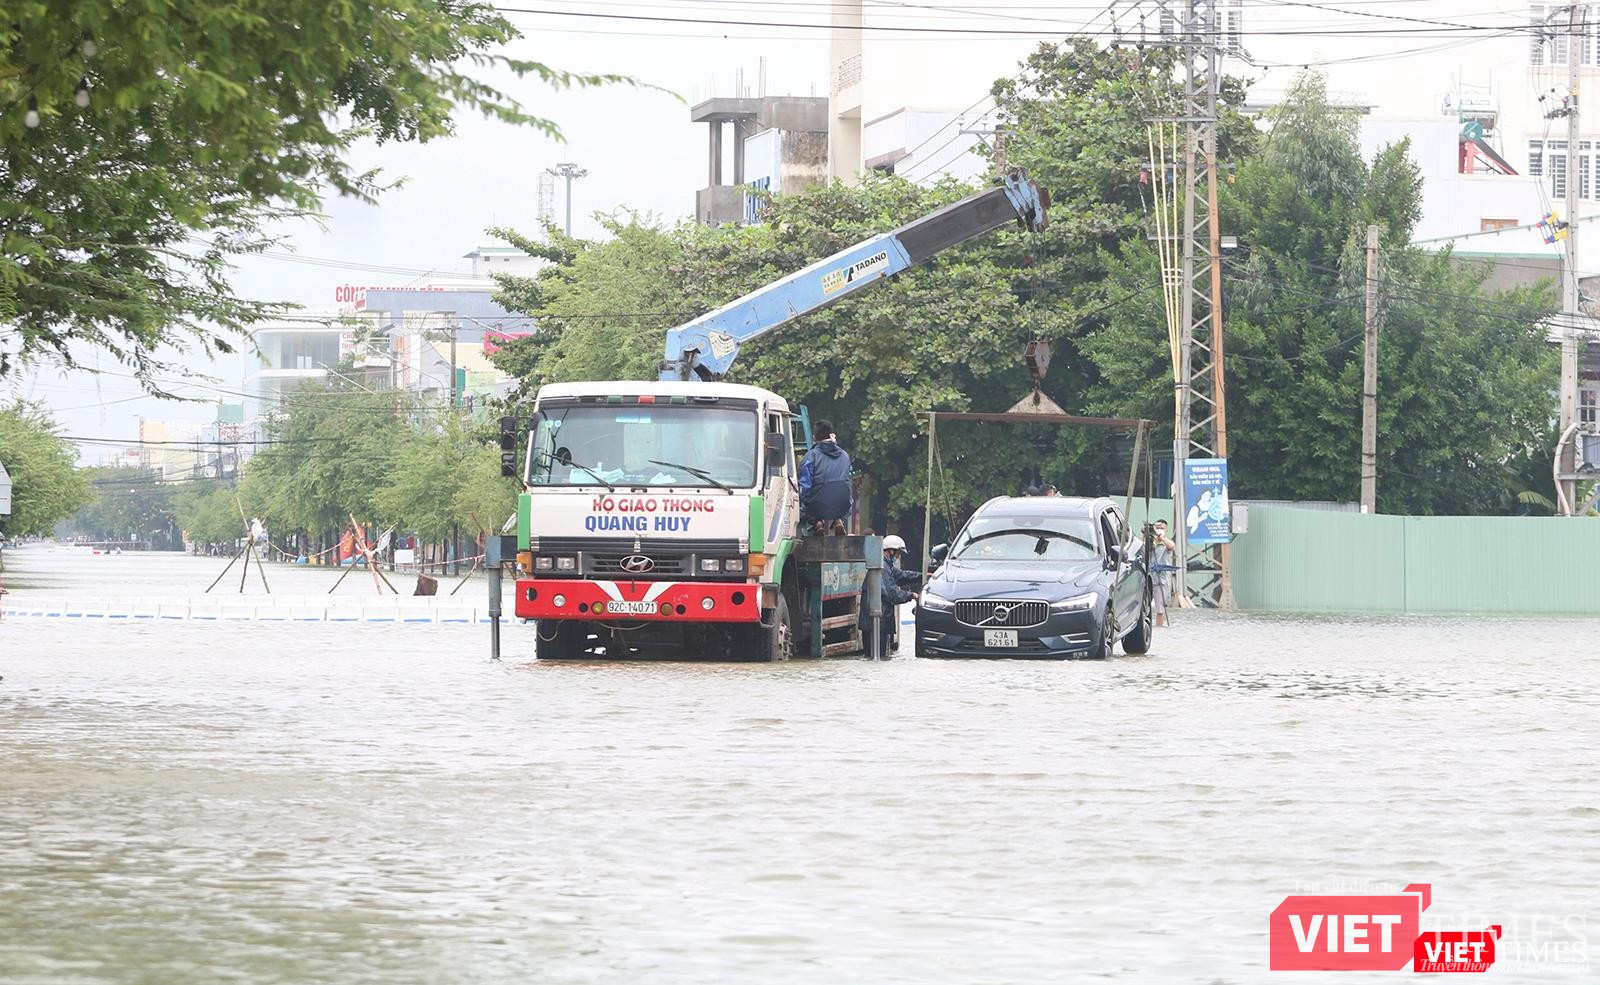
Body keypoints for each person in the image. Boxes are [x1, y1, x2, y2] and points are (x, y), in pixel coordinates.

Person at [863, 537, 917, 657]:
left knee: (878, 658)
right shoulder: (882, 569)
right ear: (891, 551)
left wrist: (923, 576)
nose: (898, 557)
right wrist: (911, 595)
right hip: (877, 623)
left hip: (877, 623)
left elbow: (903, 575)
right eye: (898, 553)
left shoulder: (887, 566)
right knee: (877, 657)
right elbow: (892, 594)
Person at [799, 420, 852, 535]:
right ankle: (839, 520)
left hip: (817, 506)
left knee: (799, 504)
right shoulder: (845, 455)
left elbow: (805, 485)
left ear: (814, 437)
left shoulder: (811, 456)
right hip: (842, 505)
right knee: (848, 499)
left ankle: (818, 523)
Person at [1150, 519, 1177, 627]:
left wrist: (1161, 537)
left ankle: (1159, 627)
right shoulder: (1150, 542)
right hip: (1148, 578)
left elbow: (1171, 546)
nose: (1159, 530)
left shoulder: (1166, 543)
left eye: (1162, 528)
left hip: (1161, 580)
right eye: (1157, 527)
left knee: (1160, 609)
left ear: (1166, 529)